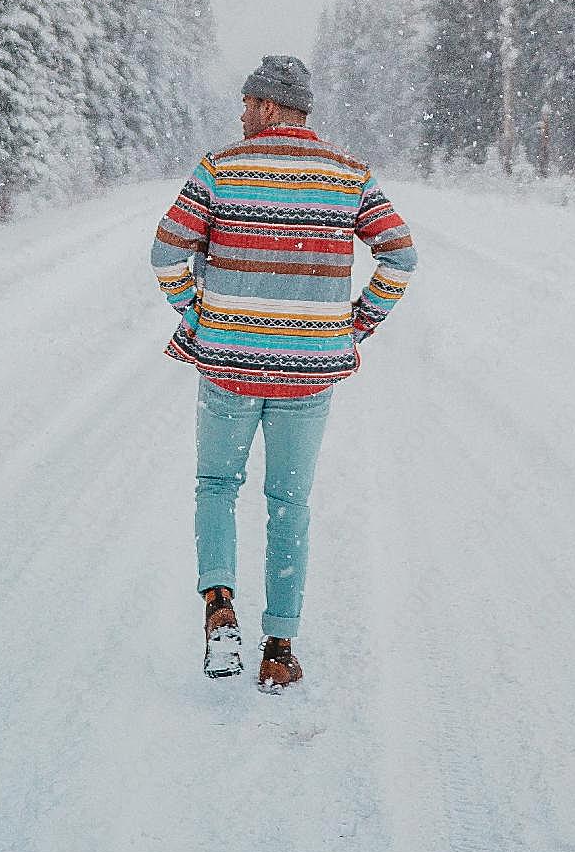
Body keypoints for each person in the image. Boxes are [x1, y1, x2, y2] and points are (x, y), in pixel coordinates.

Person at [151, 53, 417, 692]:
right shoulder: (349, 175)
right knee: (289, 502)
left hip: (227, 367)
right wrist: (352, 326)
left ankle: (219, 607)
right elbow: (400, 255)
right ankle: (279, 645)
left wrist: (206, 315)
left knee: (217, 484)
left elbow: (165, 252)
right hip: (307, 375)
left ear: (270, 106)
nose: (241, 113)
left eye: (248, 102)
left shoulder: (218, 170)